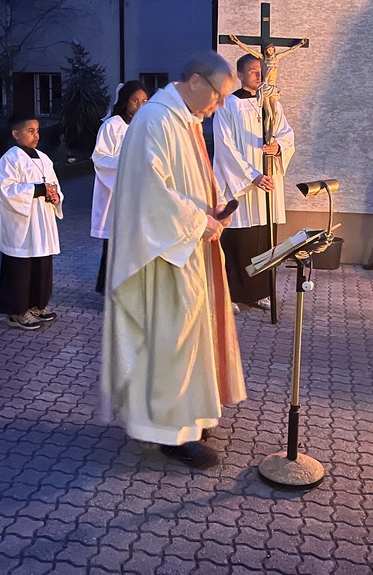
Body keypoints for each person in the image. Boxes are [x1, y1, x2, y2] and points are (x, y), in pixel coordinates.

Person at [101, 52, 246, 470]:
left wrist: (214, 209)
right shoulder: (156, 121)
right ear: (197, 81)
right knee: (172, 340)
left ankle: (187, 417)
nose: (218, 107)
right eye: (219, 96)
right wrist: (199, 219)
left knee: (189, 338)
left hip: (187, 248)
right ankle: (169, 432)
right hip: (163, 254)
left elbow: (190, 180)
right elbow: (152, 193)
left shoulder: (182, 120)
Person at [213, 54, 296, 311]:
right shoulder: (228, 106)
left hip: (268, 185)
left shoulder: (271, 104)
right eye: (252, 72)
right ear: (239, 74)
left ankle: (261, 292)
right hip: (244, 187)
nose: (258, 76)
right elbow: (225, 146)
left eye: (261, 72)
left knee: (265, 241)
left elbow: (286, 134)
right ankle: (233, 295)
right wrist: (252, 176)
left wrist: (278, 147)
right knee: (240, 241)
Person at [0, 114, 63, 330]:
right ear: (16, 134)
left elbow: (54, 183)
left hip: (42, 221)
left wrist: (55, 195)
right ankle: (17, 312)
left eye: (37, 130)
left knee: (41, 264)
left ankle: (37, 305)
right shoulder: (10, 159)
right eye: (30, 131)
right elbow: (5, 189)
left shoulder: (44, 158)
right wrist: (37, 190)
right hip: (21, 223)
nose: (36, 135)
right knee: (21, 267)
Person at [91, 81, 148, 294]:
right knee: (117, 246)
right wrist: (127, 164)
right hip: (118, 195)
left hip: (141, 195)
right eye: (135, 100)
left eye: (144, 100)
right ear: (125, 102)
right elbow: (100, 158)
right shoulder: (112, 126)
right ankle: (112, 292)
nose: (141, 105)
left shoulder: (146, 124)